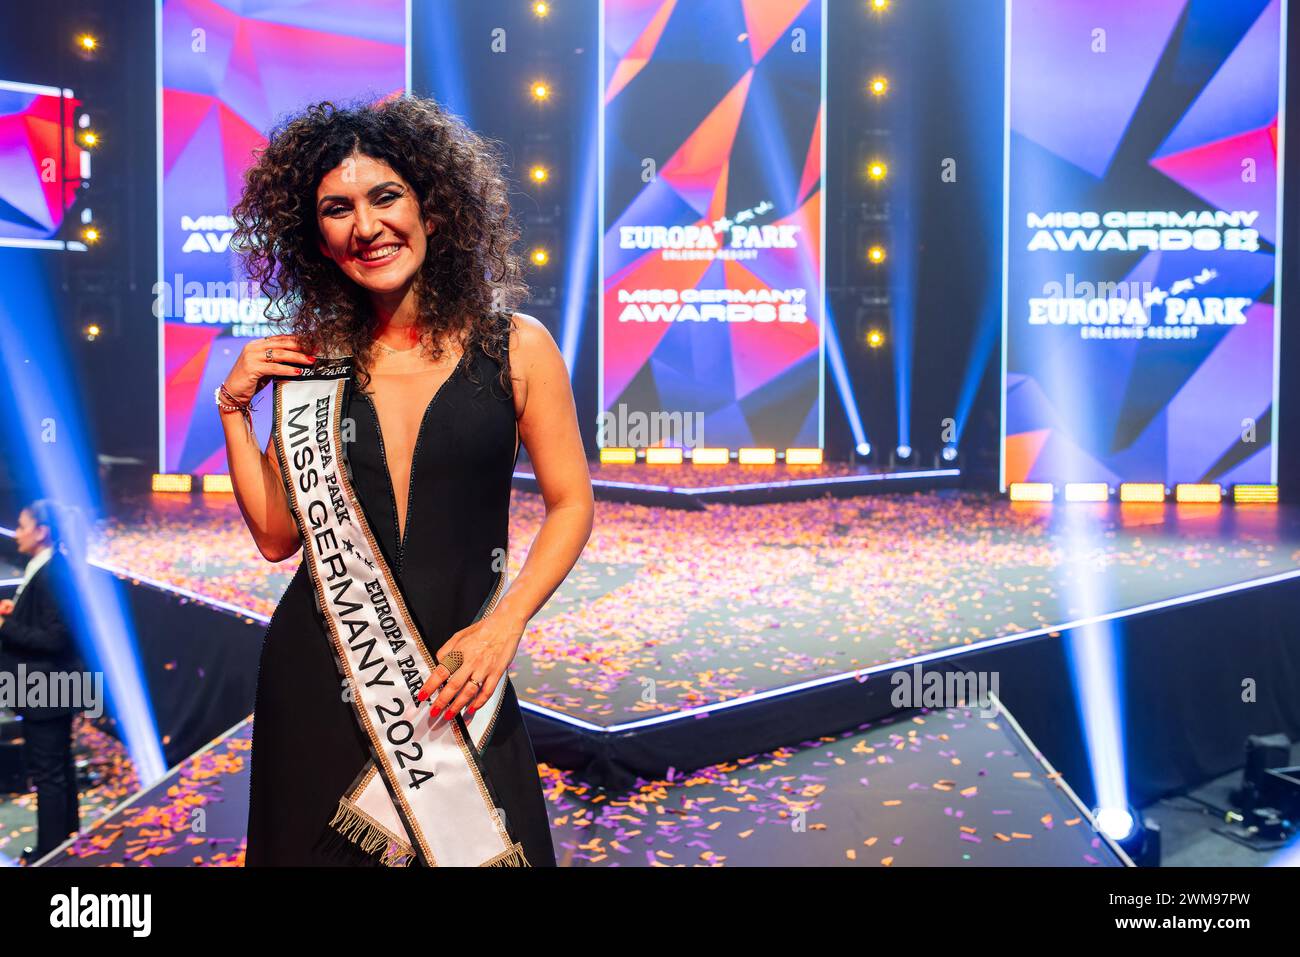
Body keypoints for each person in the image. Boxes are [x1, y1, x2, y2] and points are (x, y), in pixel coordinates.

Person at [223, 96, 593, 866]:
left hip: (461, 681)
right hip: (316, 686)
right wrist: (233, 409)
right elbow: (275, 536)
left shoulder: (516, 346)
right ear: (316, 238)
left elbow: (570, 504)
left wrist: (506, 623)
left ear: (433, 206)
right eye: (337, 208)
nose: (366, 226)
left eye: (385, 196)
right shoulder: (309, 364)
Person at [0, 499, 87, 862]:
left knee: (49, 774)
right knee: (59, 768)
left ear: (41, 531)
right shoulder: (48, 567)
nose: (16, 533)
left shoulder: (52, 571)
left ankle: (52, 853)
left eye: (22, 526)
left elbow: (55, 637)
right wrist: (15, 612)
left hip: (47, 690)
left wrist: (7, 626)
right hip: (50, 689)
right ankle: (65, 840)